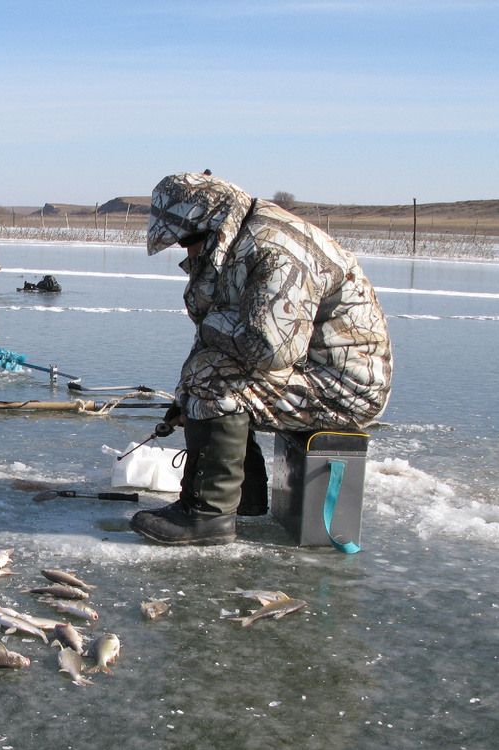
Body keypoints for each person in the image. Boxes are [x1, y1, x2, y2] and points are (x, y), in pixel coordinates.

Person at [130, 172, 393, 546]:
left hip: (344, 388)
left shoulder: (273, 248)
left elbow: (271, 348)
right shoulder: (243, 239)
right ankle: (245, 497)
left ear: (215, 224)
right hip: (310, 371)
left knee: (212, 378)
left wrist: (208, 343)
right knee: (203, 374)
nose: (187, 252)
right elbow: (229, 339)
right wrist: (186, 398)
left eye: (189, 240)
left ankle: (206, 517)